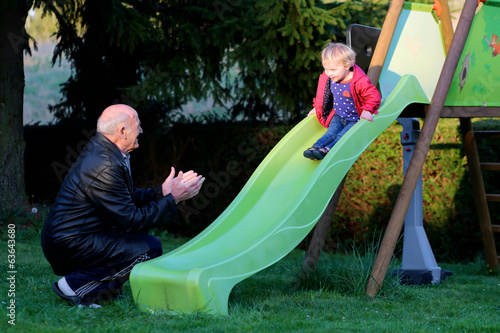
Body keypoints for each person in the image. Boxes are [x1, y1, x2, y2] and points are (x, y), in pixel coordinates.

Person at [41, 104, 205, 307]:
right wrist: (173, 198)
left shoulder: (105, 151)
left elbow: (125, 197)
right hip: (69, 244)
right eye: (138, 125)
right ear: (123, 131)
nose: (142, 131)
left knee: (139, 239)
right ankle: (75, 286)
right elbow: (131, 221)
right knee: (150, 247)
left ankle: (102, 288)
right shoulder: (105, 164)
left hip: (73, 238)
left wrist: (161, 192)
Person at [303, 43, 381, 160]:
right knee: (330, 133)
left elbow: (373, 95)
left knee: (342, 135)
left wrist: (366, 110)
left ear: (347, 65)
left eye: (333, 69)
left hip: (354, 119)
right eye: (326, 69)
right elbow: (323, 95)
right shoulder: (330, 78)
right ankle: (316, 148)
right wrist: (317, 108)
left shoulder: (359, 81)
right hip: (338, 115)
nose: (329, 73)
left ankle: (328, 149)